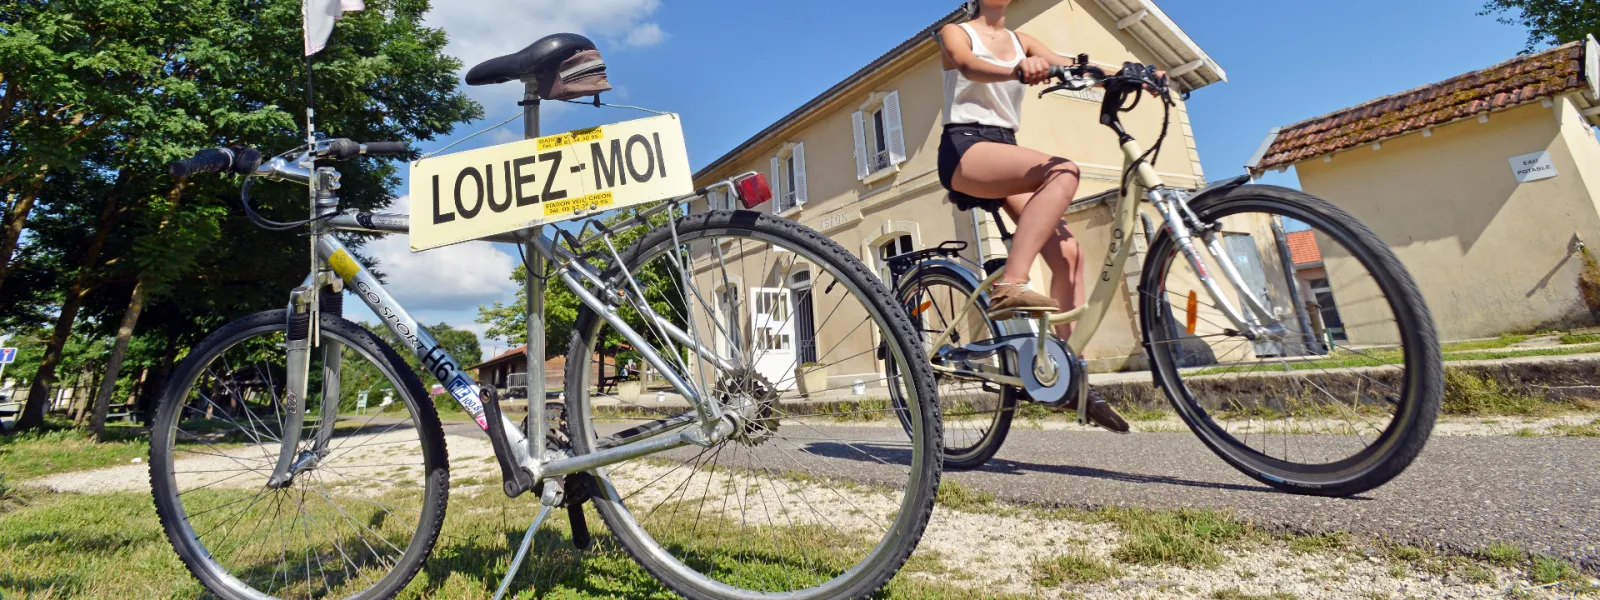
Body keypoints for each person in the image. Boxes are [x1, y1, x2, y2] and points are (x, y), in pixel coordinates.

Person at [938, 0, 1154, 432]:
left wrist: (1138, 74)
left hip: (1005, 147)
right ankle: (1011, 284)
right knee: (1063, 171)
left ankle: (1072, 378)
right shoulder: (956, 31)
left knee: (1069, 254)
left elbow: (1076, 67)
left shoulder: (1023, 40)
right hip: (965, 147)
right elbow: (967, 65)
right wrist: (1017, 70)